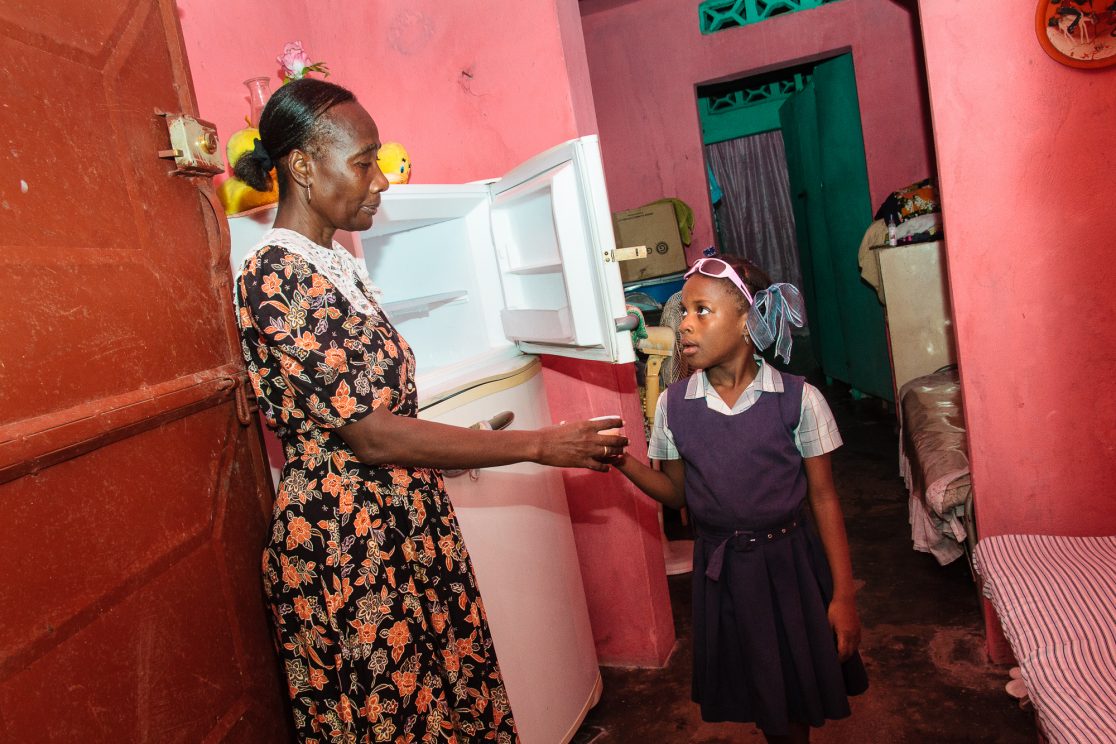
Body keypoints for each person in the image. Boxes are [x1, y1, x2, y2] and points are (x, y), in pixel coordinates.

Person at [230, 78, 627, 743]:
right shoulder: (277, 274)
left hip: (401, 520)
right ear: (302, 166)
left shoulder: (333, 262)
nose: (381, 179)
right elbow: (373, 438)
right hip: (348, 543)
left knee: (449, 703)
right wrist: (539, 445)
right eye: (363, 162)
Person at [611, 255, 868, 743]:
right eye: (683, 312)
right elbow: (675, 493)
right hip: (723, 572)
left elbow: (824, 499)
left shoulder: (798, 399)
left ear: (748, 321)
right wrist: (622, 461)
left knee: (794, 688)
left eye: (701, 311)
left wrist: (844, 595)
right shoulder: (674, 406)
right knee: (757, 685)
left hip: (789, 566)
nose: (684, 324)